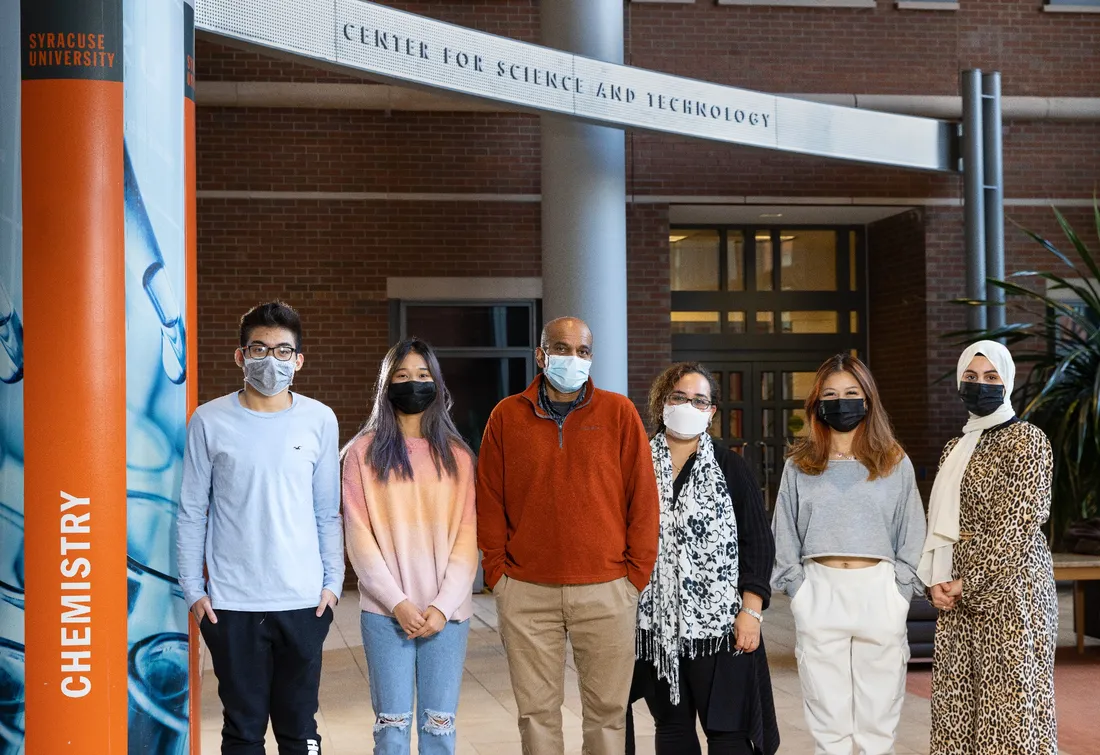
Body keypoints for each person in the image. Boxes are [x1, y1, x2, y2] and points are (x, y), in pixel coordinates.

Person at [476, 316, 660, 755]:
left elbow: (643, 500)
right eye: (561, 348)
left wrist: (635, 577)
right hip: (526, 592)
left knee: (607, 716)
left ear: (591, 358)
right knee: (536, 715)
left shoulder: (619, 413)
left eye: (582, 351)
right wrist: (498, 575)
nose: (572, 358)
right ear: (541, 355)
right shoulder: (506, 415)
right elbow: (488, 499)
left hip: (608, 590)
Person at [177, 301, 343, 755]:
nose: (271, 360)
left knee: (300, 732)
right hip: (232, 605)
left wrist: (332, 585)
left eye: (283, 351)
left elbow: (327, 511)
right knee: (243, 733)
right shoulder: (208, 420)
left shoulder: (319, 420)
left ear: (299, 360)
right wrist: (193, 590)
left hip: (303, 604)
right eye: (260, 348)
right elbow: (192, 510)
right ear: (240, 355)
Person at [771, 353, 926, 755]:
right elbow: (783, 531)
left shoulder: (894, 462)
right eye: (832, 394)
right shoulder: (800, 465)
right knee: (828, 721)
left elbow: (912, 532)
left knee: (878, 722)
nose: (842, 402)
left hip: (879, 591)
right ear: (817, 403)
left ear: (869, 399)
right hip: (819, 590)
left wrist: (899, 594)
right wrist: (799, 592)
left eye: (852, 393)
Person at [629, 363, 780, 755]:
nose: (688, 406)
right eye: (679, 397)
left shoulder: (731, 467)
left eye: (699, 400)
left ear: (711, 411)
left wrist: (752, 611)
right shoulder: (635, 464)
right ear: (661, 403)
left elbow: (758, 544)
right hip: (656, 626)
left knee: (728, 733)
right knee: (673, 728)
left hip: (721, 626)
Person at [919, 341, 1057, 754]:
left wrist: (968, 581)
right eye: (971, 377)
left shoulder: (1028, 441)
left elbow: (1015, 526)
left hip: (1013, 595)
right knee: (957, 710)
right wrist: (939, 580)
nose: (980, 385)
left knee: (1010, 715)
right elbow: (942, 524)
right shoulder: (955, 446)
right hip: (957, 597)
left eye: (991, 377)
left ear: (1008, 382)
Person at [342, 338, 478, 755]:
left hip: (447, 617)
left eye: (422, 376)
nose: (413, 384)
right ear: (386, 386)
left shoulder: (457, 457)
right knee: (392, 731)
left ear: (437, 384)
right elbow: (359, 538)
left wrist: (442, 606)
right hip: (386, 615)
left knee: (439, 731)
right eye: (402, 376)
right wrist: (397, 602)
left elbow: (467, 539)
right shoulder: (361, 454)